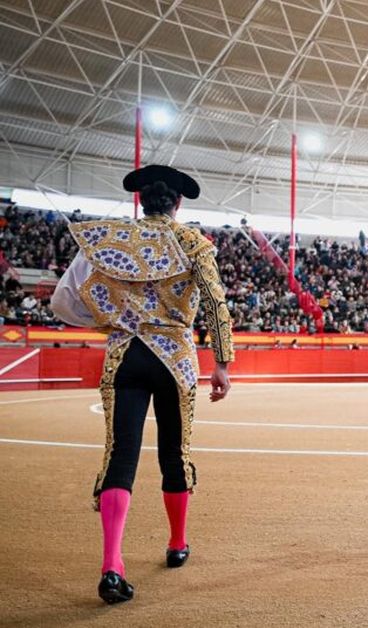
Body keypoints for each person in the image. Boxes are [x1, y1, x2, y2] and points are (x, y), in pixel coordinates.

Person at [50, 165, 235, 605]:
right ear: (178, 204)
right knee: (175, 451)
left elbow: (63, 300)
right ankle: (176, 544)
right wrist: (223, 363)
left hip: (124, 356)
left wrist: (111, 324)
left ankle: (112, 565)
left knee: (120, 455)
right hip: (173, 358)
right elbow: (214, 301)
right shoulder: (194, 242)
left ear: (141, 201)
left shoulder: (108, 239)